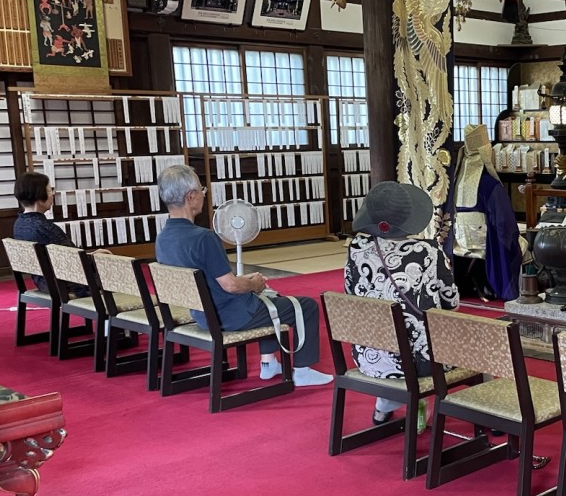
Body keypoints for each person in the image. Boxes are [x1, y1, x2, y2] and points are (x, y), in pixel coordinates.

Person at [153, 164, 331, 387]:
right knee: (305, 306)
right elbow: (230, 285)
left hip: (201, 314)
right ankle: (303, 371)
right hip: (230, 315)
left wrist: (249, 283)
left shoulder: (162, 238)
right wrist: (254, 284)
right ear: (191, 196)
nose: (203, 195)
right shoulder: (204, 238)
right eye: (201, 190)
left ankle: (268, 362)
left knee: (271, 298)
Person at [344, 181, 459, 427]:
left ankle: (384, 406)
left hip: (368, 356)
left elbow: (350, 294)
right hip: (422, 361)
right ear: (410, 217)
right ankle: (488, 416)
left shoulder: (356, 249)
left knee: (392, 332)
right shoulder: (427, 251)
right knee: (476, 345)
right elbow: (452, 302)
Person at [452, 124, 523, 302]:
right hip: (484, 242)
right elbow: (503, 221)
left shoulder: (456, 181)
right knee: (521, 243)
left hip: (459, 240)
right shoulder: (489, 184)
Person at [13, 171, 96, 295]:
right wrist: (94, 257)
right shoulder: (45, 228)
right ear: (39, 195)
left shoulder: (19, 224)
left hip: (44, 283)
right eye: (49, 190)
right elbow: (76, 260)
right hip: (66, 286)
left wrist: (89, 255)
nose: (52, 194)